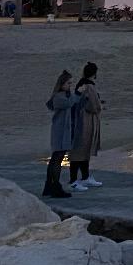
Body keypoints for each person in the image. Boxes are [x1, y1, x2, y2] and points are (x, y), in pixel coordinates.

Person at [68, 62, 104, 192]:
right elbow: (93, 106)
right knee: (80, 150)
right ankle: (74, 179)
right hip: (85, 122)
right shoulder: (89, 86)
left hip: (81, 121)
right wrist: (100, 106)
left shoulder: (82, 84)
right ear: (94, 73)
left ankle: (84, 177)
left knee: (82, 150)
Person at [42, 70, 76, 199]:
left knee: (56, 158)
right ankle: (55, 186)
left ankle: (49, 186)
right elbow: (70, 103)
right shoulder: (59, 97)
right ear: (62, 84)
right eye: (68, 83)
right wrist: (76, 94)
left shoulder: (62, 96)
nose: (70, 86)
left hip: (62, 131)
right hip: (59, 132)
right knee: (57, 159)